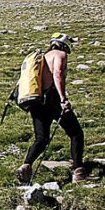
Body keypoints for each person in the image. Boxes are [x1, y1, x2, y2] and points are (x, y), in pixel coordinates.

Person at [16, 34, 86, 184]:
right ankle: (78, 171)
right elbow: (58, 74)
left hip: (37, 101)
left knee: (41, 138)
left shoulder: (41, 57)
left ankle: (26, 165)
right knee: (76, 133)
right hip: (53, 98)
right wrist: (63, 99)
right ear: (64, 44)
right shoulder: (59, 54)